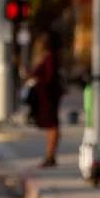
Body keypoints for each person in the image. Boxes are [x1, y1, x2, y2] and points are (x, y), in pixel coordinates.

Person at [29, 30, 64, 167]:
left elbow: (49, 78)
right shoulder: (47, 57)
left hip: (49, 95)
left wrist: (37, 79)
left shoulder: (50, 58)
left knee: (52, 125)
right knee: (50, 125)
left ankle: (50, 155)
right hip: (46, 95)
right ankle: (50, 155)